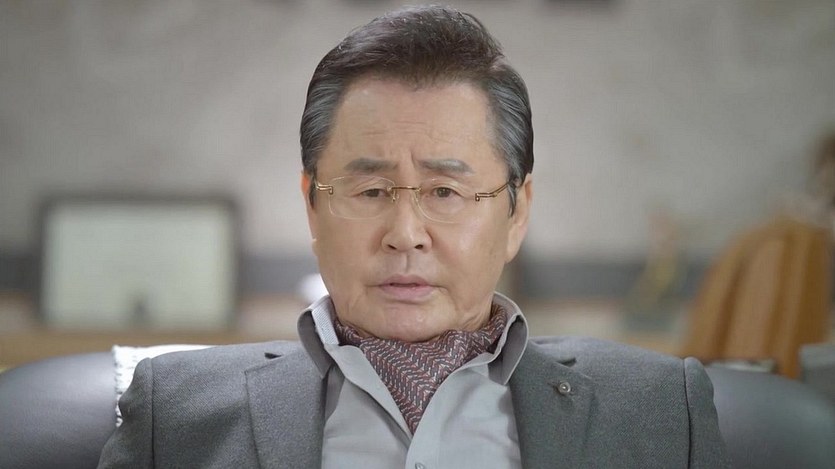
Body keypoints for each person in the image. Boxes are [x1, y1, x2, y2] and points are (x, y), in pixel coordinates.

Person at [98, 5, 729, 468]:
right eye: (371, 192)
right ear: (313, 208)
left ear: (517, 213)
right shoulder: (175, 413)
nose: (405, 235)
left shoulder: (658, 411)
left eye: (445, 192)